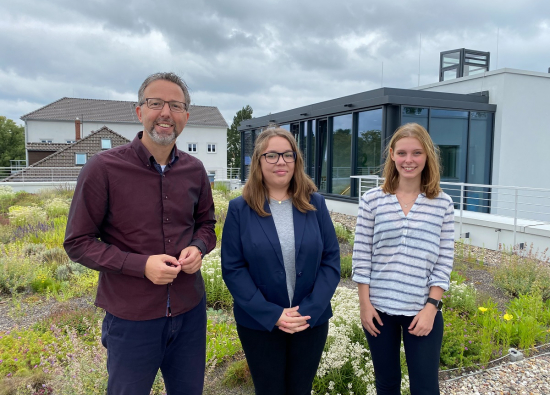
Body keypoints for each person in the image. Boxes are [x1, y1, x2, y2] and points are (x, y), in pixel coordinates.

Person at [64, 72, 216, 395]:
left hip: (190, 313)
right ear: (139, 111)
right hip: (131, 319)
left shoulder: (195, 170)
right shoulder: (102, 169)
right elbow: (77, 243)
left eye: (175, 105)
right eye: (155, 103)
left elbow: (207, 225)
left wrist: (199, 247)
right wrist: (140, 265)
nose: (165, 113)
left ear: (186, 116)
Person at [221, 128, 340, 395]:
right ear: (259, 162)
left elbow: (331, 260)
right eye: (271, 155)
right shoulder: (240, 209)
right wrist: (272, 314)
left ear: (296, 160)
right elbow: (233, 268)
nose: (281, 161)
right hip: (260, 325)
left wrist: (308, 310)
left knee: (301, 389)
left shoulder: (315, 204)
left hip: (309, 322)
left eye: (288, 154)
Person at [352, 123, 454, 395]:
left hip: (422, 312)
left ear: (427, 156)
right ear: (392, 155)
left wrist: (431, 308)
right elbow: (361, 257)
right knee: (386, 385)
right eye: (403, 153)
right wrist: (364, 305)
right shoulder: (372, 200)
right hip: (379, 312)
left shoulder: (442, 204)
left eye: (417, 153)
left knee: (425, 388)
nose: (409, 160)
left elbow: (444, 261)